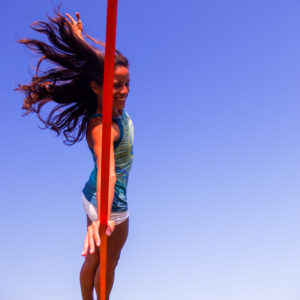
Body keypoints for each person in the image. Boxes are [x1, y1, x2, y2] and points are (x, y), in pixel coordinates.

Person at [17, 11, 133, 300]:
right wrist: (103, 219)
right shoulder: (103, 128)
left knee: (92, 260)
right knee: (109, 262)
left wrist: (78, 39)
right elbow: (109, 170)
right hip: (110, 203)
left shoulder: (103, 97)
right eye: (116, 85)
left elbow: (98, 65)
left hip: (90, 194)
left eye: (126, 82)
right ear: (96, 87)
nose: (124, 90)